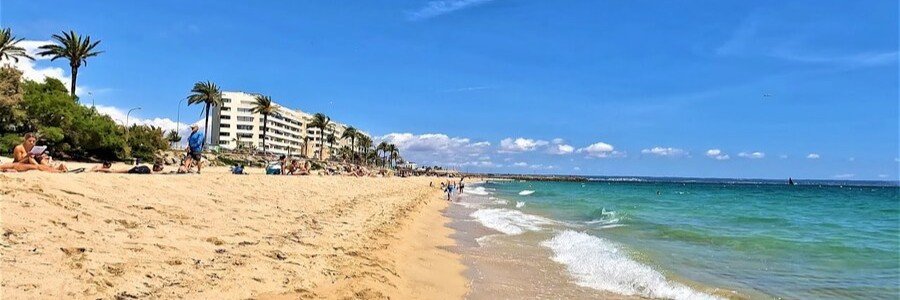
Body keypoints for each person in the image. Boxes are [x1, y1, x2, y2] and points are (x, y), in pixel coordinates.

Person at [92, 161, 164, 174]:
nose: (160, 170)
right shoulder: (151, 170)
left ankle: (99, 169)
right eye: (160, 168)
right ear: (157, 168)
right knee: (115, 171)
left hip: (133, 168)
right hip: (133, 169)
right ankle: (98, 169)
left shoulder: (148, 165)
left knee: (115, 170)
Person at [0, 162, 67, 173]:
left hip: (18, 165)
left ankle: (57, 169)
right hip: (18, 165)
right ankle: (58, 170)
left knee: (38, 166)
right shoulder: (19, 148)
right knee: (38, 167)